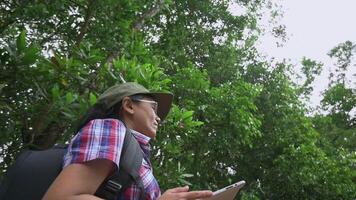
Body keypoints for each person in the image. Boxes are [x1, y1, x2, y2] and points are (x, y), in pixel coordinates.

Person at [43, 82, 213, 200]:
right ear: (129, 106)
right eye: (153, 108)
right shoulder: (111, 128)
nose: (158, 118)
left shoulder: (136, 153)